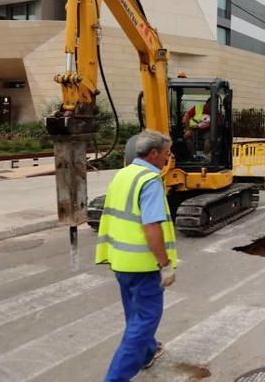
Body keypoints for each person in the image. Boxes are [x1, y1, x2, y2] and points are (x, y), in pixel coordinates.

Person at [96, 130, 177, 382]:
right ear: (153, 154)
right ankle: (115, 378)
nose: (168, 158)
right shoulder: (150, 181)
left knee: (135, 313)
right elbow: (151, 226)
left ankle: (147, 354)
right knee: (144, 321)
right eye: (165, 153)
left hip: (121, 261)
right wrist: (164, 264)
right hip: (143, 266)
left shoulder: (122, 175)